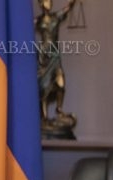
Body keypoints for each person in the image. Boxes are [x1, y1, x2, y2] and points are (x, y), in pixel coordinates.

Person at [35, 0, 77, 138]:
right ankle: (44, 118)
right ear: (41, 4)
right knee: (44, 87)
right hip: (44, 57)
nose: (49, 3)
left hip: (54, 56)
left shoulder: (56, 17)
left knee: (60, 83)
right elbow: (23, 27)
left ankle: (59, 109)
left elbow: (68, 7)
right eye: (46, 1)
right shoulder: (38, 21)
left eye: (50, 1)